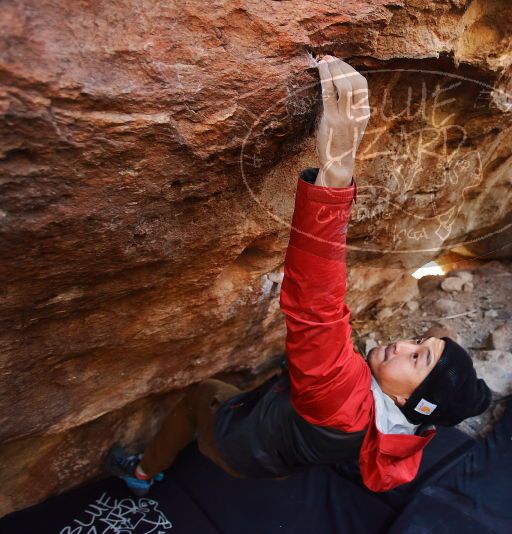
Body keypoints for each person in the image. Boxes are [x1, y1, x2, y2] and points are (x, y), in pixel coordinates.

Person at [104, 54, 491, 496]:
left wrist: (335, 181)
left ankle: (140, 473)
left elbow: (316, 307)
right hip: (279, 453)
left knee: (201, 395)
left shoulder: (343, 402)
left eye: (418, 359)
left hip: (238, 445)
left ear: (405, 399)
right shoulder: (403, 427)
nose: (405, 345)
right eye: (421, 342)